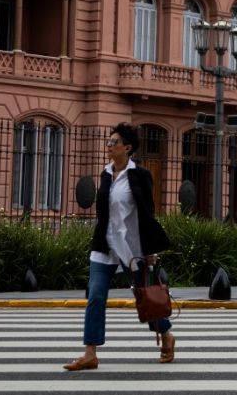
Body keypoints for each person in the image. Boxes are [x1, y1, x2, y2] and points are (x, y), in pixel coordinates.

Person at [65, 123, 175, 371]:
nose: (109, 145)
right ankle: (90, 353)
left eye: (113, 142)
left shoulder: (141, 175)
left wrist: (150, 251)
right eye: (108, 142)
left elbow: (147, 213)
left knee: (145, 298)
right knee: (95, 296)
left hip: (132, 246)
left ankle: (166, 335)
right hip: (105, 243)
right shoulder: (105, 174)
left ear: (127, 148)